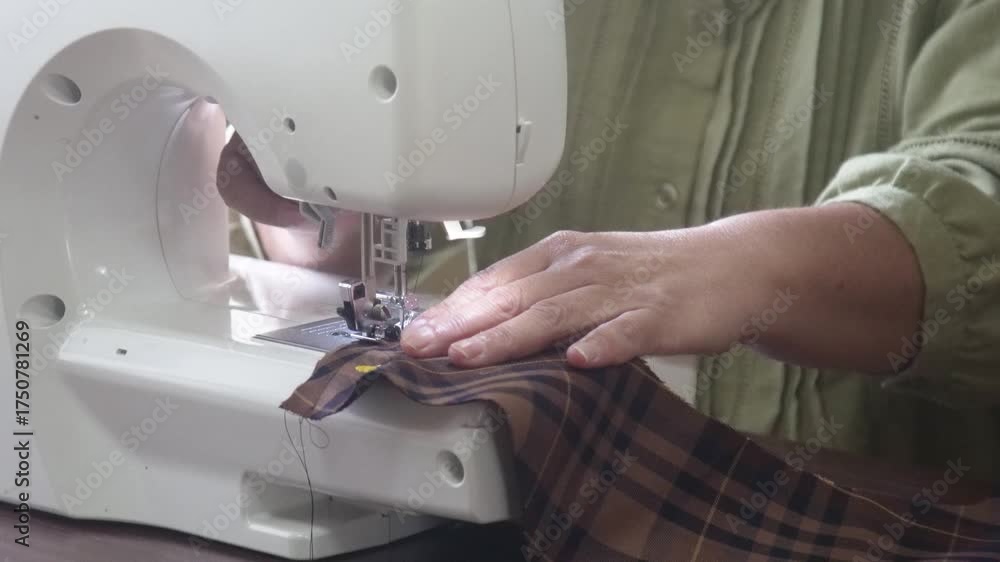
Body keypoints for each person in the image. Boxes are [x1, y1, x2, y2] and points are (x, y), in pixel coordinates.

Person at [220, 1, 1000, 483]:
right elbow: (337, 243)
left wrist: (753, 268)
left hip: (873, 512)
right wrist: (322, 198)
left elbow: (984, 188)